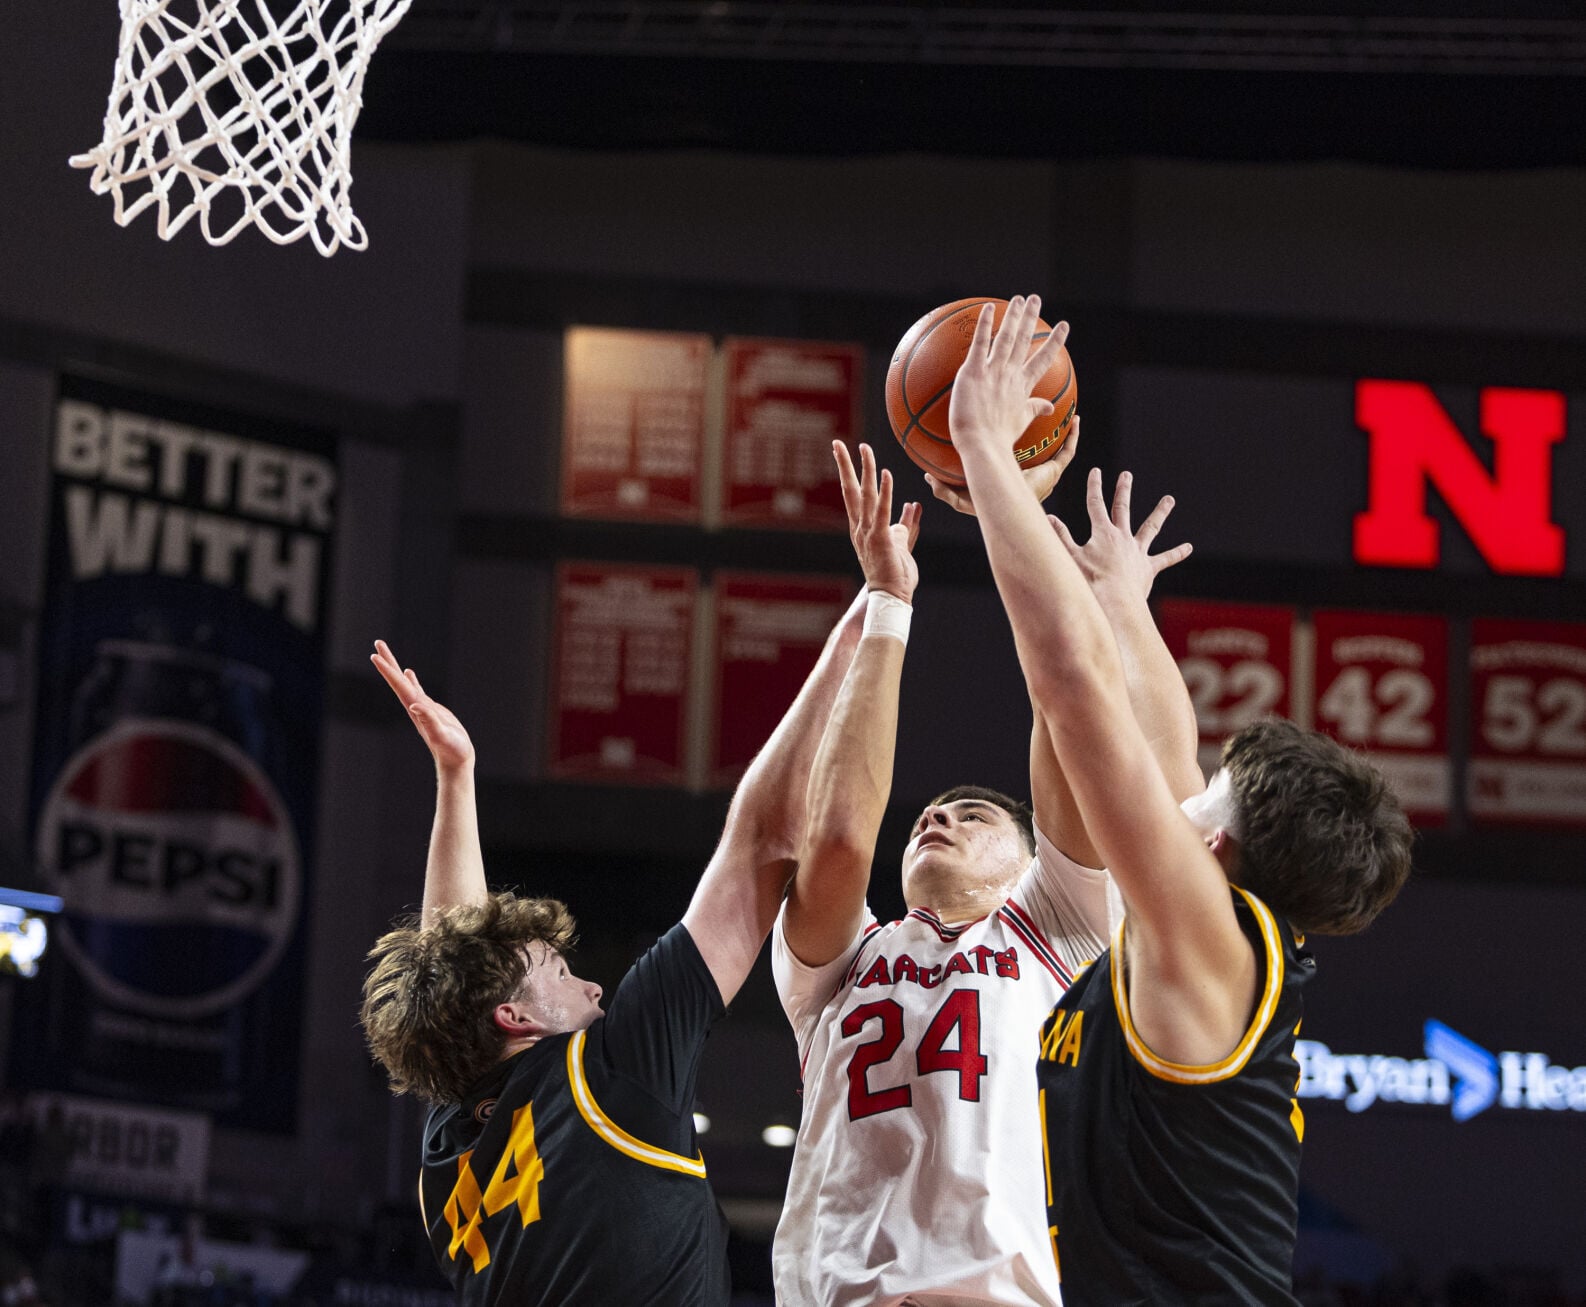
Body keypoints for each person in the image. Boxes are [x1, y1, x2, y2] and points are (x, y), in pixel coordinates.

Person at [949, 295, 1414, 1304]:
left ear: (1212, 853)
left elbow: (1074, 693)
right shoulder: (1209, 931)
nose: (1182, 792)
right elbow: (1154, 744)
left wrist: (989, 459)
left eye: (1206, 798)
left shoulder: (1213, 937)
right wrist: (1120, 601)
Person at [770, 435, 1204, 1306]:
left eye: (974, 816)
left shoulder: (1060, 927)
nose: (937, 816)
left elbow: (1071, 706)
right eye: (932, 813)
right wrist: (888, 602)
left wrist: (1079, 578)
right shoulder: (841, 962)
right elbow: (841, 840)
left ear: (1029, 866)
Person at [359, 591, 869, 1307]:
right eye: (562, 974)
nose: (595, 989)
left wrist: (457, 775)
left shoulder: (453, 1155)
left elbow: (460, 967)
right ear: (516, 1019)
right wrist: (864, 627)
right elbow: (763, 835)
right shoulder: (606, 1075)